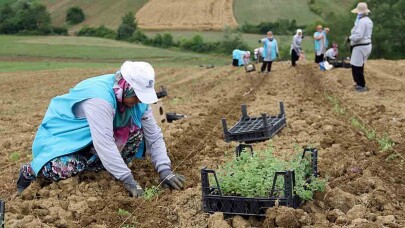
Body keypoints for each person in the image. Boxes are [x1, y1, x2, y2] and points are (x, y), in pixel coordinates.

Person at [16, 61, 186, 197]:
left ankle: (101, 168)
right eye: (137, 96)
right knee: (58, 169)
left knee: (135, 134)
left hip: (94, 140)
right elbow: (104, 143)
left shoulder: (137, 102)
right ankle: (29, 171)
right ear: (126, 87)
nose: (140, 101)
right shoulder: (100, 99)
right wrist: (128, 180)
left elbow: (154, 136)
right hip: (65, 139)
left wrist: (165, 170)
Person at [348, 2, 373, 92]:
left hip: (360, 46)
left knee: (356, 66)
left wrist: (350, 38)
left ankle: (361, 85)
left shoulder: (362, 21)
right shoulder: (368, 21)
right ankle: (360, 83)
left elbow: (359, 35)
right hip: (366, 45)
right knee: (359, 65)